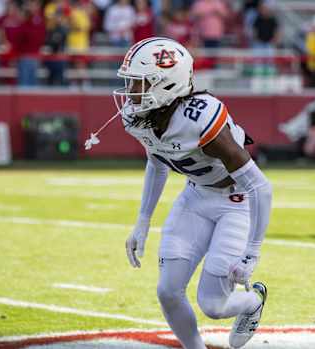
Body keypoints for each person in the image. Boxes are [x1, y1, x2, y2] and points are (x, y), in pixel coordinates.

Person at [116, 37, 271, 349]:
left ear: (167, 84)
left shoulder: (200, 120)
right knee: (168, 291)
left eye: (140, 83)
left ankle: (252, 301)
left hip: (235, 202)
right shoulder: (141, 117)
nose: (132, 93)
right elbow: (157, 162)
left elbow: (260, 186)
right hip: (196, 196)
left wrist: (252, 253)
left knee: (213, 305)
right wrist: (142, 221)